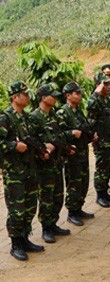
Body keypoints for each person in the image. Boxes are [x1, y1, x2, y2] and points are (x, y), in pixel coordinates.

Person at [0, 81, 46, 260]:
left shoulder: (26, 117)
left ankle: (25, 238)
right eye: (24, 94)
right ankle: (15, 244)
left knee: (29, 207)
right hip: (15, 173)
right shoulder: (5, 118)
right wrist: (13, 145)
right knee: (16, 210)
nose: (27, 97)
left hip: (30, 169)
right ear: (15, 97)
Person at [28, 84, 74, 244]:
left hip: (57, 163)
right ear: (43, 98)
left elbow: (59, 135)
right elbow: (31, 141)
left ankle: (53, 224)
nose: (55, 98)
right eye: (52, 96)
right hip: (44, 166)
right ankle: (46, 228)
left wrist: (65, 147)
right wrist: (44, 149)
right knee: (46, 197)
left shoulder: (53, 114)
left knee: (58, 196)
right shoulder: (34, 117)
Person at [56, 82, 95, 226]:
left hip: (83, 152)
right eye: (76, 93)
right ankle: (72, 211)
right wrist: (70, 133)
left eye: (79, 93)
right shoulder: (62, 112)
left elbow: (84, 128)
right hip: (72, 156)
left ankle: (79, 208)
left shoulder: (78, 111)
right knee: (74, 183)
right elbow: (57, 135)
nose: (79, 96)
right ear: (68, 95)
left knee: (84, 182)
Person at [87, 73, 110, 208]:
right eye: (105, 84)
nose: (108, 86)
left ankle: (105, 191)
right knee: (101, 169)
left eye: (109, 84)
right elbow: (90, 108)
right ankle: (100, 195)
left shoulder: (107, 100)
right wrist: (96, 93)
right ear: (98, 85)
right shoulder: (95, 100)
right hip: (101, 142)